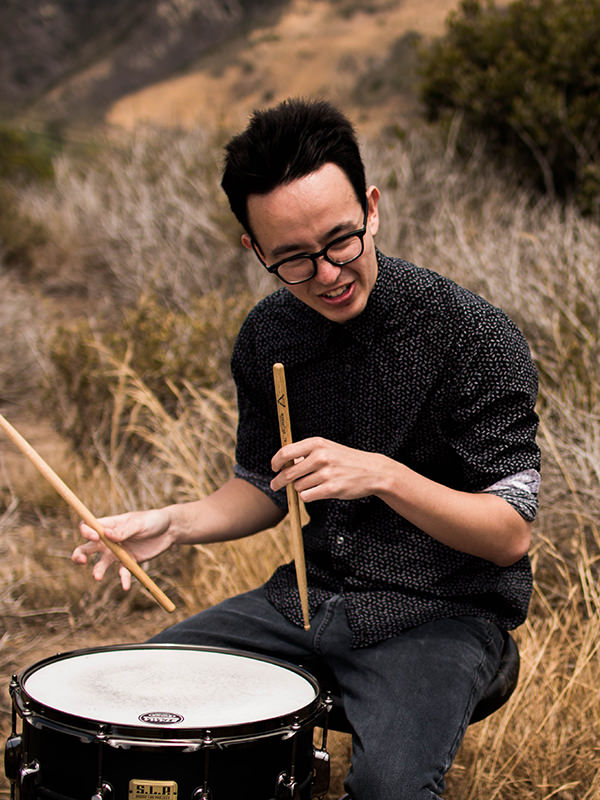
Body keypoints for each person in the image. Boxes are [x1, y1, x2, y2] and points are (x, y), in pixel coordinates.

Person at [72, 98, 541, 800]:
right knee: (130, 704)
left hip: (442, 613)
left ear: (371, 209)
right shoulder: (268, 335)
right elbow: (264, 487)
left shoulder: (475, 336)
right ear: (256, 251)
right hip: (303, 600)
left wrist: (382, 476)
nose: (326, 274)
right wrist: (173, 523)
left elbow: (509, 536)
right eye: (292, 258)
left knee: (388, 788)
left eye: (340, 241)